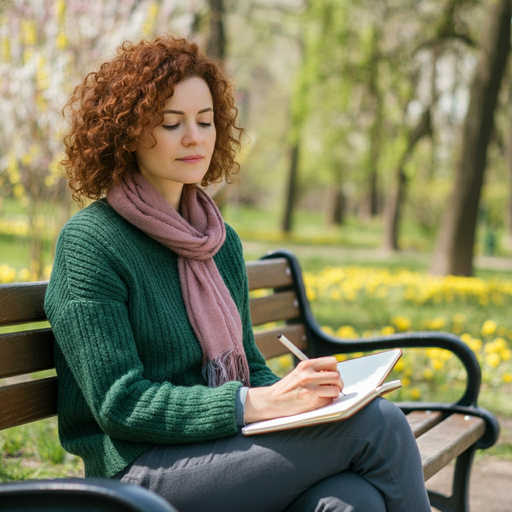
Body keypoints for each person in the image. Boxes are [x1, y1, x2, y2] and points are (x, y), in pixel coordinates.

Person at [45, 35, 431, 512]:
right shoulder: (92, 243)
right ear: (126, 131)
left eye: (205, 121)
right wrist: (254, 405)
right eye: (172, 123)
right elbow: (120, 404)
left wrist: (303, 394)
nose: (195, 137)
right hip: (138, 470)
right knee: (381, 425)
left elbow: (249, 362)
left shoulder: (217, 241)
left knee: (351, 501)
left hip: (219, 450)